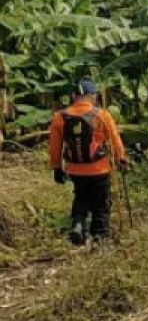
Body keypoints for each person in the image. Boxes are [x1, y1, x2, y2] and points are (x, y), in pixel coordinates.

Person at [48, 80, 129, 246]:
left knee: (81, 197)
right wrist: (121, 160)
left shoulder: (59, 117)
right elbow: (115, 140)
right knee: (101, 205)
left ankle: (78, 224)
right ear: (92, 96)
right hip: (100, 169)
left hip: (76, 170)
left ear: (73, 96)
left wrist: (57, 168)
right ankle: (100, 240)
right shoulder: (102, 115)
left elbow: (55, 146)